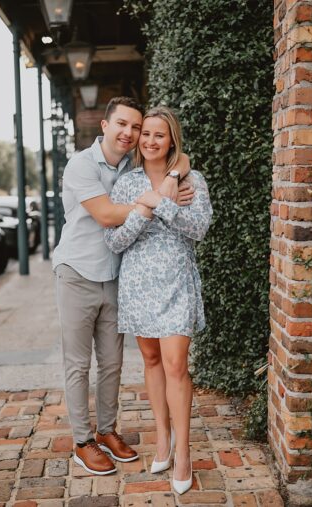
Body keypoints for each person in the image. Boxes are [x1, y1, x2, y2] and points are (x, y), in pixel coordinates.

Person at [51, 97, 195, 476]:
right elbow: (105, 215)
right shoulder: (82, 165)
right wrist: (154, 200)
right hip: (78, 272)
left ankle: (107, 430)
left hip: (116, 277)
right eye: (123, 125)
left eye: (136, 127)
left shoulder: (130, 168)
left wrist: (175, 174)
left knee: (113, 364)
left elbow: (177, 158)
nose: (130, 133)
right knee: (78, 365)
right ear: (105, 125)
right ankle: (83, 441)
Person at [104, 106, 212, 495]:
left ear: (172, 140)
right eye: (145, 133)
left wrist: (163, 198)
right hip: (138, 283)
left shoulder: (191, 178)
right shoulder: (126, 184)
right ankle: (162, 438)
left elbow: (198, 228)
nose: (150, 140)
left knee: (176, 364)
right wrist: (144, 208)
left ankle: (183, 453)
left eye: (159, 135)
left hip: (176, 281)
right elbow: (114, 241)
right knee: (151, 360)